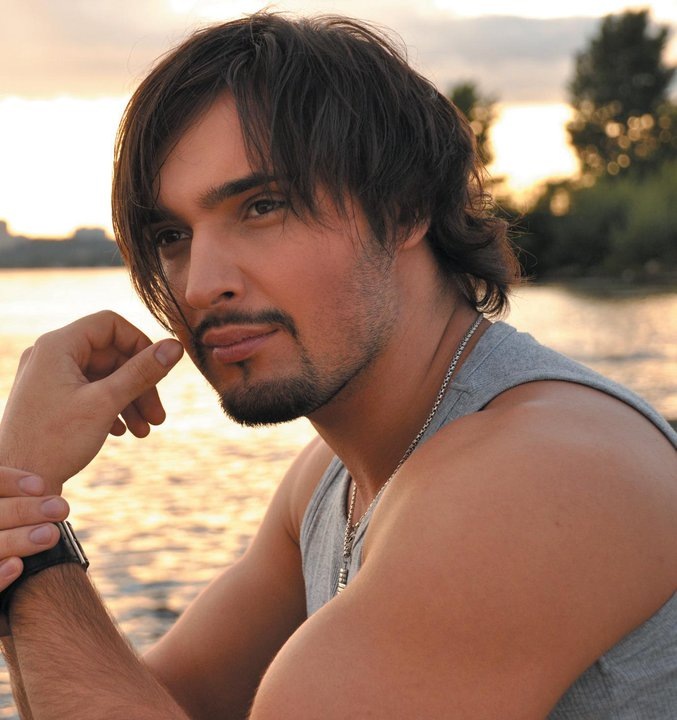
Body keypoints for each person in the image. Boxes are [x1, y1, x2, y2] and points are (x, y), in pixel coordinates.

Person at [0, 12, 675, 719]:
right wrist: (20, 504)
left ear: (405, 207)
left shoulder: (538, 473)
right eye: (172, 235)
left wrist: (32, 535)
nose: (200, 286)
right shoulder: (327, 482)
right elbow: (142, 700)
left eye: (262, 207)